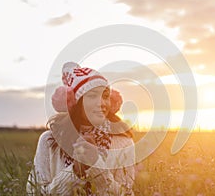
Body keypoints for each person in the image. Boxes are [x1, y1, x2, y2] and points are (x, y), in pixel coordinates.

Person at [27, 63, 135, 195]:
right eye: (92, 96)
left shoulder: (124, 143)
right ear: (76, 103)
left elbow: (126, 193)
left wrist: (95, 165)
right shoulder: (49, 141)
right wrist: (75, 171)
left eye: (105, 96)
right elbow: (35, 192)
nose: (101, 103)